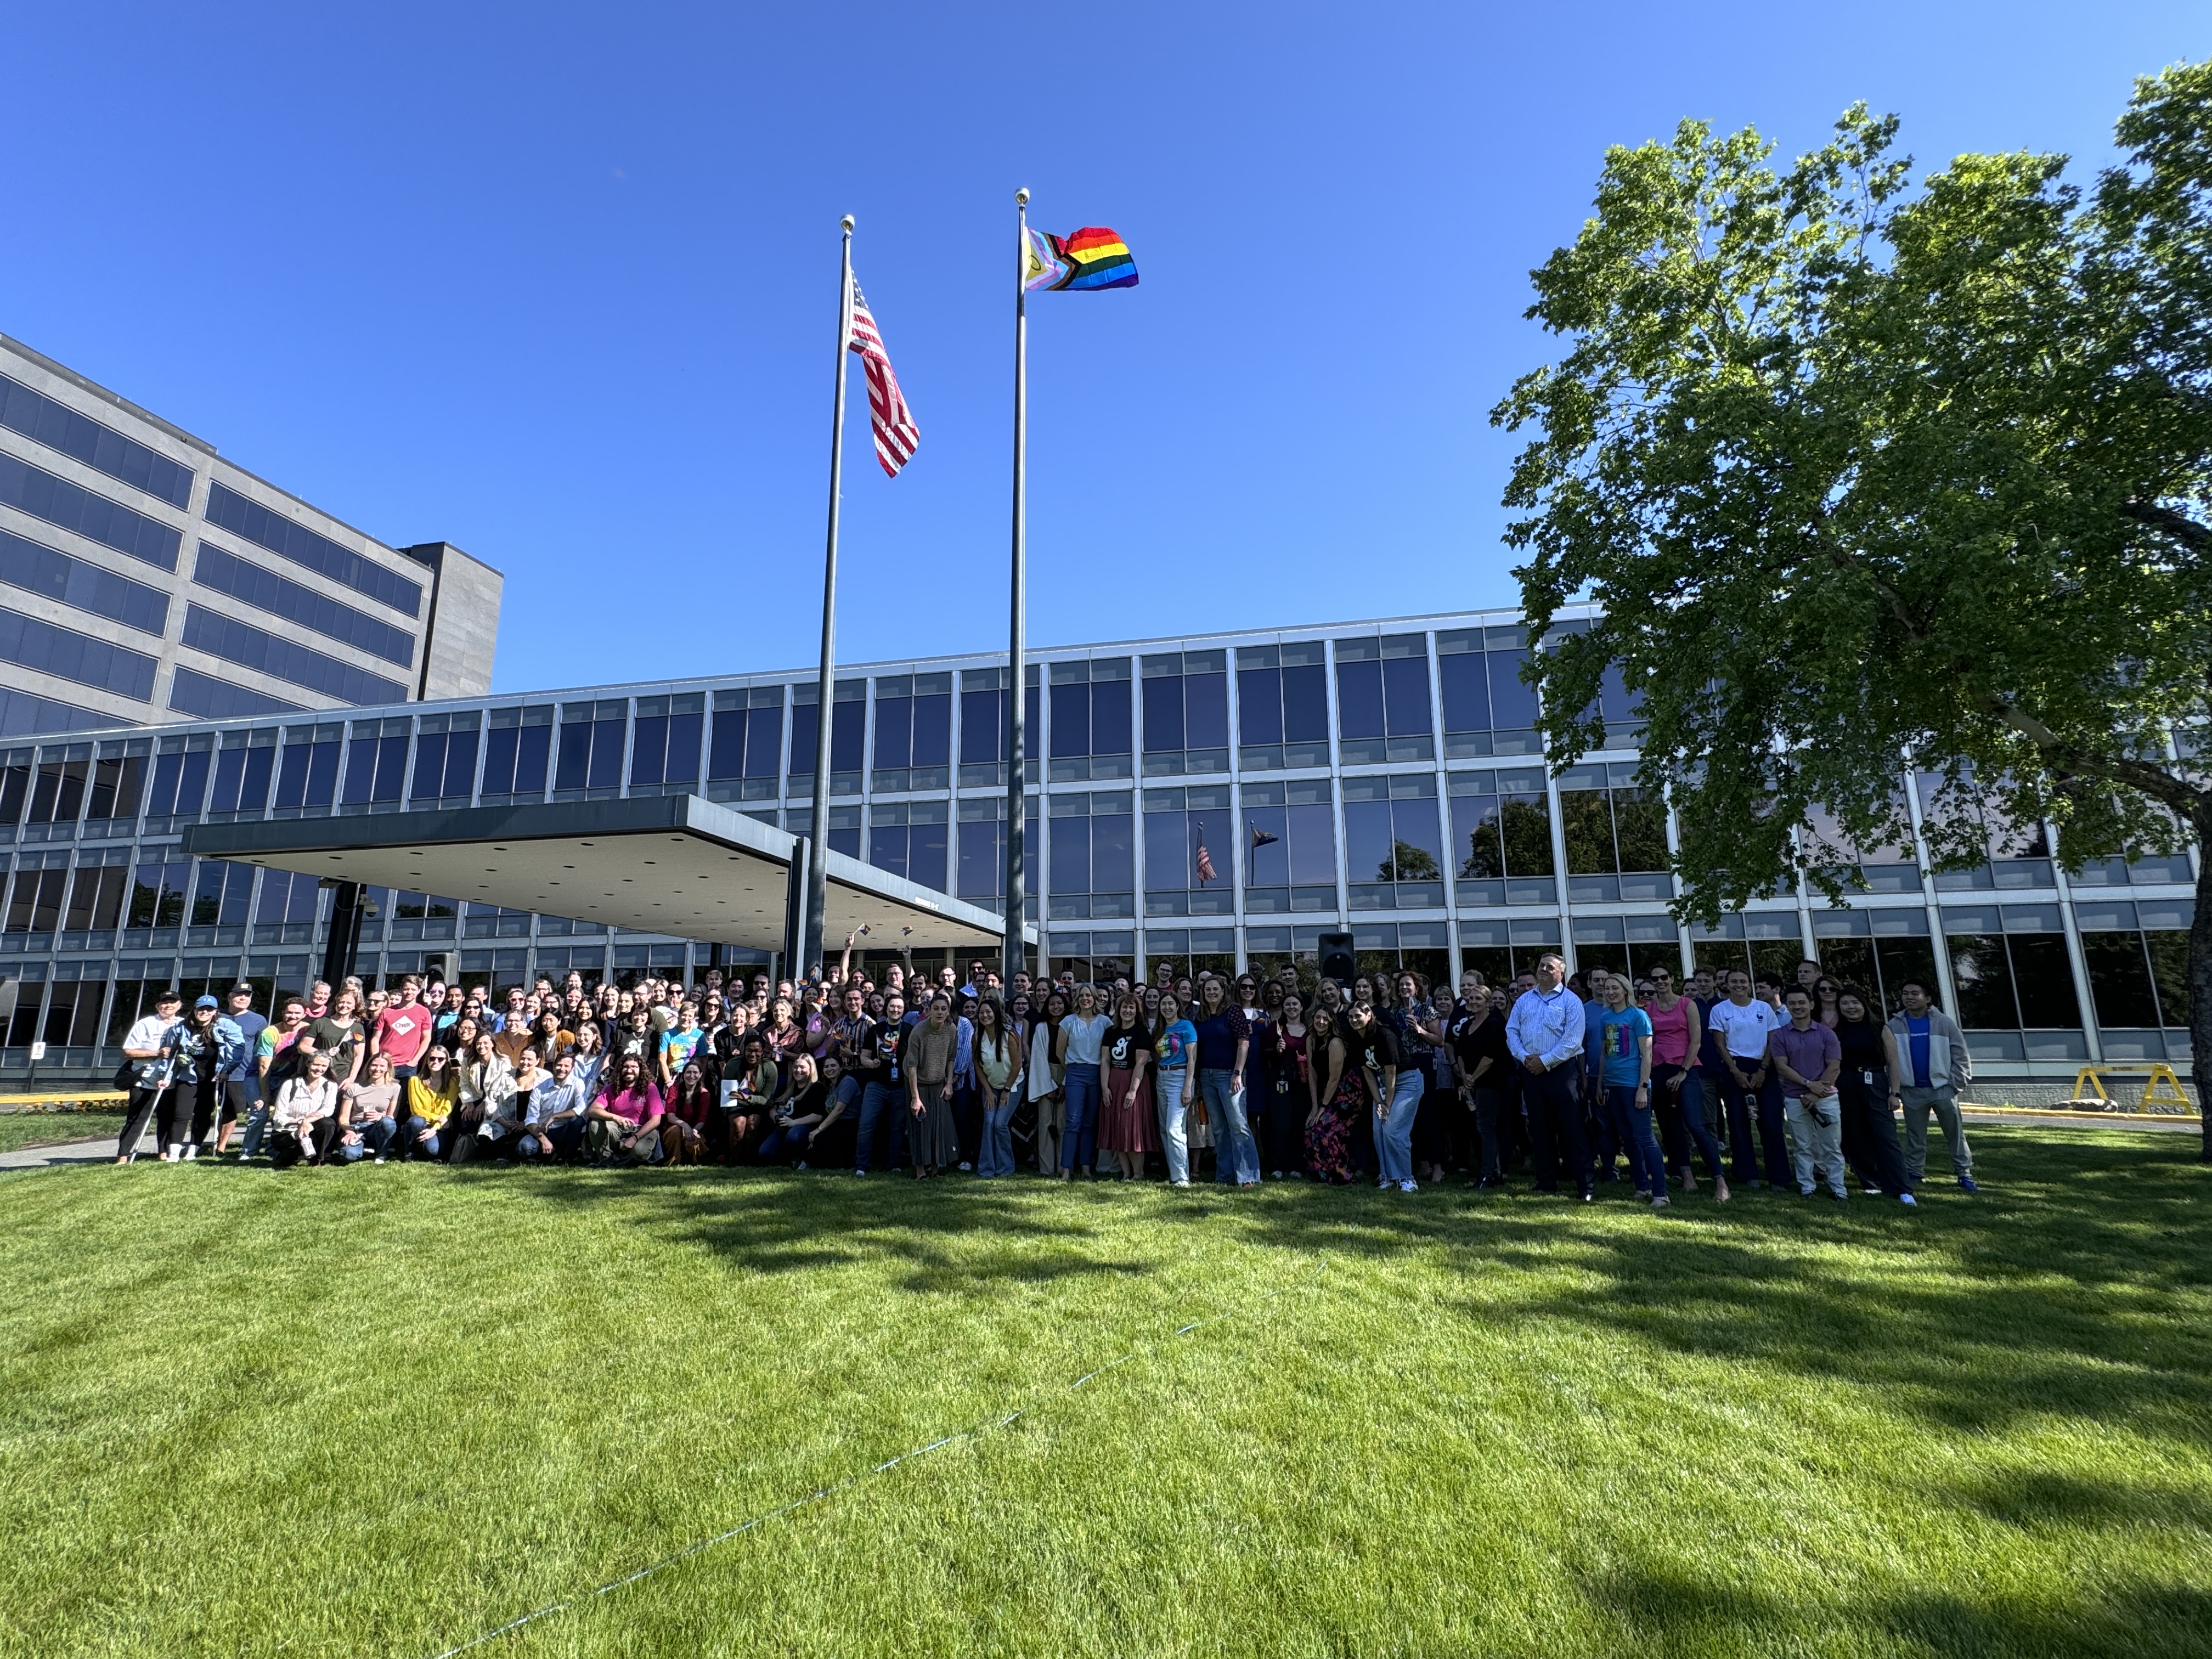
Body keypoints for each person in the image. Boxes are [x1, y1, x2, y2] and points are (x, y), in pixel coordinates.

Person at [1505, 953, 1592, 1201]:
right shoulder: (1524, 1001)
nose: (1543, 969)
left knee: (1572, 1129)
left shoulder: (1571, 1001)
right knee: (1540, 1128)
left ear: (1561, 973)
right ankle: (1546, 1182)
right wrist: (1525, 1058)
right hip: (1531, 1070)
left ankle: (1585, 1185)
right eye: (1541, 966)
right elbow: (1511, 1031)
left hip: (1562, 1072)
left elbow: (1573, 1040)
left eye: (1550, 967)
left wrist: (1545, 1061)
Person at [1644, 964, 1726, 1200]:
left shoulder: (1687, 1005)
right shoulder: (1649, 1009)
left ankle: (1720, 1181)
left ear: (1672, 979)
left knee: (1696, 1124)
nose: (1660, 982)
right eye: (1655, 979)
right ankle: (1687, 1177)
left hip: (1686, 1069)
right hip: (1659, 1070)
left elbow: (1696, 1041)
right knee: (1671, 1128)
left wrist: (1683, 1071)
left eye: (1663, 977)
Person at [1886, 980, 1978, 1193]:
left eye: (1915, 993)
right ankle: (1915, 1172)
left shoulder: (1944, 1023)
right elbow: (1889, 1058)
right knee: (1915, 1136)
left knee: (1955, 1134)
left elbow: (1961, 1055)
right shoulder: (1894, 1025)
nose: (1909, 997)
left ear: (1927, 999)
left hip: (1943, 1089)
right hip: (1911, 1091)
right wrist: (1896, 1089)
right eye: (1905, 993)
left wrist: (1955, 1084)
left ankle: (1964, 1174)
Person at [1709, 969, 1791, 1189]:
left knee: (1772, 1123)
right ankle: (1747, 1174)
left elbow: (1773, 1039)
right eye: (1734, 981)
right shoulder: (1720, 1010)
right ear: (1726, 984)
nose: (1739, 985)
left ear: (1749, 984)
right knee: (1738, 1122)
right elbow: (1719, 1043)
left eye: (1743, 981)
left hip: (1764, 1066)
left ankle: (1779, 1177)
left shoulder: (1763, 1009)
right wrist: (1735, 1071)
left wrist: (1764, 1068)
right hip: (1734, 1067)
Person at [1833, 987, 1915, 1205]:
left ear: (1864, 1004)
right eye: (1845, 1004)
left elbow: (1894, 1062)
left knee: (1886, 1135)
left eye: (1855, 1003)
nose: (1851, 1008)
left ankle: (1901, 1186)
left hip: (1876, 1081)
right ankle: (1870, 1181)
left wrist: (1894, 1092)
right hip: (1847, 1083)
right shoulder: (1836, 1030)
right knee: (1855, 1134)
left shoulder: (1880, 1027)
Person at [1593, 972, 1667, 1208]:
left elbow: (1647, 1054)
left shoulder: (1638, 1016)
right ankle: (1641, 1187)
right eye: (1607, 988)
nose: (1611, 992)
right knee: (1627, 1137)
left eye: (1615, 988)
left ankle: (1660, 1193)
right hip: (1613, 1085)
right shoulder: (1605, 1018)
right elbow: (1605, 1053)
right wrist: (1600, 1084)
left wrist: (1643, 1088)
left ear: (1626, 990)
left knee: (1645, 1137)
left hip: (1633, 1083)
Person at [1770, 988, 1847, 1200]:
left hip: (1826, 1096)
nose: (1797, 1007)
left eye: (1802, 1003)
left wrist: (1816, 1092)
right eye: (1792, 1003)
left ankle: (1839, 1189)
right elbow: (1781, 1066)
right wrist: (1807, 1084)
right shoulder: (1780, 1035)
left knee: (1831, 1146)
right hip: (1795, 1098)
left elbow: (1834, 1066)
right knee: (1803, 1146)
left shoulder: (1826, 1033)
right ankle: (1807, 1188)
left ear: (1811, 1005)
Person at [1190, 977, 1260, 1187]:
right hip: (1206, 1076)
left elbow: (1244, 1043)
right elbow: (1197, 1050)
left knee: (1238, 1125)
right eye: (1207, 990)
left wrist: (1237, 1072)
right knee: (1219, 1128)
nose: (1211, 993)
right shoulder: (1200, 1017)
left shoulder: (1233, 1011)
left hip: (1229, 1075)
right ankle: (1225, 1175)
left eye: (1215, 989)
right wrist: (1198, 1079)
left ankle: (1248, 1175)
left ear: (1223, 992)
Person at [1346, 1000, 1420, 1193]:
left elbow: (1391, 1072)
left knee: (1394, 1130)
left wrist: (1387, 1104)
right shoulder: (1355, 1038)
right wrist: (1378, 1102)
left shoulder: (1384, 1034)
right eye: (1351, 1017)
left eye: (1358, 1016)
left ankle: (1407, 1179)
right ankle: (1386, 1177)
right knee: (1379, 1131)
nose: (1354, 1020)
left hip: (1406, 1082)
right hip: (1382, 1085)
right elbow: (1368, 1072)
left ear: (1369, 1015)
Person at [1447, 972, 1513, 1187]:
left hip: (1491, 1082)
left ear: (1488, 1003)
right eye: (1471, 999)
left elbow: (1490, 1057)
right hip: (1471, 1082)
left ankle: (1488, 1175)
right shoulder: (1467, 1025)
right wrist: (1464, 1076)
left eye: (1478, 999)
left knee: (1487, 1127)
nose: (1473, 1002)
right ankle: (1493, 1172)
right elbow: (1460, 1053)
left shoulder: (1494, 1024)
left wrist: (1472, 1079)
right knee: (1482, 1127)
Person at [115, 988, 185, 1164]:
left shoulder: (183, 1024)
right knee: (137, 1118)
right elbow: (128, 1051)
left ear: (179, 1006)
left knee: (167, 1118)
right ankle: (123, 1155)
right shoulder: (146, 1024)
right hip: (144, 1079)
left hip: (171, 1079)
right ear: (158, 1006)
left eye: (172, 1002)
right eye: (164, 1002)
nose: (168, 1005)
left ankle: (163, 1153)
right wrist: (156, 1053)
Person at [173, 994, 246, 1159]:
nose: (205, 1012)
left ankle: (193, 1148)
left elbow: (238, 1048)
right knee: (181, 1113)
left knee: (203, 1113)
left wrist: (228, 1069)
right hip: (188, 1074)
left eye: (210, 1009)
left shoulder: (225, 1025)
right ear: (195, 1010)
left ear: (215, 1011)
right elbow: (170, 1047)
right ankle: (174, 1151)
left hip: (212, 1077)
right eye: (201, 1009)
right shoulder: (183, 1026)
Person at [1099, 992, 1156, 1182]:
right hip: (1114, 1081)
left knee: (1132, 1128)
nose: (1127, 1010)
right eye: (1124, 1007)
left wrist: (1133, 1091)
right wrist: (1105, 1087)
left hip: (1134, 1082)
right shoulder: (1111, 1032)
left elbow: (1141, 1064)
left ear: (1137, 1011)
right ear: (1118, 1009)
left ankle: (1138, 1174)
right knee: (1117, 1128)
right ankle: (1126, 1174)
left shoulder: (1141, 1032)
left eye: (1132, 1007)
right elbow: (1106, 1060)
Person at [1056, 986, 1110, 1181]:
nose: (1085, 999)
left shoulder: (1105, 1022)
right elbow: (1060, 1052)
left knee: (1090, 1123)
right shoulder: (1068, 1022)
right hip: (1075, 1074)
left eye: (1089, 995)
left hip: (1097, 1074)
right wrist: (1072, 1068)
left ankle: (1086, 1168)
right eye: (1081, 996)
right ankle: (1066, 1170)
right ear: (1076, 999)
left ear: (1095, 998)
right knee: (1073, 1121)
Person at [905, 994, 962, 1178]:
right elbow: (912, 1065)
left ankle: (935, 1169)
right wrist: (915, 1097)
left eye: (944, 1009)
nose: (940, 1012)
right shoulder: (919, 1031)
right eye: (936, 1008)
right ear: (929, 1010)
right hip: (918, 1083)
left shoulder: (952, 1030)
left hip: (939, 1083)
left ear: (948, 1012)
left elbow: (951, 1058)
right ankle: (920, 1170)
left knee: (939, 1127)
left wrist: (949, 1084)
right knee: (919, 1127)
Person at [853, 991, 907, 1177]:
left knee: (897, 1127)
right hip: (876, 1085)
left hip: (900, 1086)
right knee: (866, 1124)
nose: (896, 1009)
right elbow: (864, 1057)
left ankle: (894, 1165)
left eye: (899, 1007)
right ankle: (862, 1165)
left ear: (904, 1010)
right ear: (886, 1008)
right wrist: (871, 1064)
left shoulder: (909, 1031)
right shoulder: (875, 1030)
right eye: (892, 1006)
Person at [1305, 1005, 1360, 1184]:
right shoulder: (1311, 1040)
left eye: (1326, 1019)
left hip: (1347, 1092)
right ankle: (1321, 1174)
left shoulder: (1335, 1042)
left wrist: (1322, 1108)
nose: (1321, 1022)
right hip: (1327, 1091)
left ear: (1331, 1022)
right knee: (1311, 1127)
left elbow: (1335, 1078)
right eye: (1318, 1018)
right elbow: (1312, 1074)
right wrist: (1314, 1106)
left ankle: (1341, 1175)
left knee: (1325, 1129)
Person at [212, 984, 268, 1158]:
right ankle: (220, 1147)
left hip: (245, 1073)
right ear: (230, 997)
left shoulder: (259, 1020)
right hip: (217, 1073)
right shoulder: (216, 1016)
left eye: (247, 995)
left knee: (238, 1110)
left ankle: (248, 1148)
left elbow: (262, 1047)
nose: (243, 998)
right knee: (223, 1110)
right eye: (239, 995)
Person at [1260, 992, 1310, 1179]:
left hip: (1304, 1081)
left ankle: (1296, 1165)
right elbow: (1263, 1053)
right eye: (1287, 1004)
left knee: (1299, 1123)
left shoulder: (1310, 1029)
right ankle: (1277, 1166)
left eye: (1295, 1004)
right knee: (1280, 1125)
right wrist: (1276, 1050)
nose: (1291, 1008)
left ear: (1302, 1007)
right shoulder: (1276, 1028)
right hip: (1280, 1080)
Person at [972, 997, 1023, 1179]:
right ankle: (986, 1169)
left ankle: (1005, 1168)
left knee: (1000, 1124)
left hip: (1013, 1085)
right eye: (982, 1013)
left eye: (988, 1012)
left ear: (996, 1013)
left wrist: (1006, 1091)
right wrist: (988, 1091)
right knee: (989, 1123)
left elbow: (1017, 1065)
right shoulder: (977, 1036)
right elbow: (977, 1064)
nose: (985, 1015)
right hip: (991, 1087)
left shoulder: (1009, 1034)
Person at [1152, 991, 1198, 1187]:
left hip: (1180, 1078)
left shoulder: (1186, 1026)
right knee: (1165, 1130)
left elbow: (1192, 1059)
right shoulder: (1160, 1028)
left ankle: (1182, 1178)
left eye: (1171, 1004)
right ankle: (1175, 1174)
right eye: (1164, 1004)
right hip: (1162, 1077)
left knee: (1174, 1129)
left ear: (1178, 1006)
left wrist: (1188, 1087)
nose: (1167, 1007)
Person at [269, 1049, 341, 1168]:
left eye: (324, 1066)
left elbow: (328, 1110)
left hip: (312, 1128)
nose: (319, 1069)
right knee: (293, 1150)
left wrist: (307, 1121)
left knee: (328, 1124)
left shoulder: (331, 1086)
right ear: (308, 1064)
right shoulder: (290, 1085)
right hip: (287, 1131)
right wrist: (300, 1122)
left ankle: (317, 1159)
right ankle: (286, 1157)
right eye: (316, 1064)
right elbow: (278, 1117)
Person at [757, 1054, 833, 1166]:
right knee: (765, 1153)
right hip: (782, 1129)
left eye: (803, 1067)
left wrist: (793, 1123)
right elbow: (773, 1107)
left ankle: (803, 1158)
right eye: (796, 1067)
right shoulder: (788, 1086)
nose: (798, 1070)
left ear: (811, 1069)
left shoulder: (817, 1088)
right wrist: (776, 1118)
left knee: (793, 1137)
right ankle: (789, 1159)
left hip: (803, 1128)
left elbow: (818, 1116)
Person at [589, 1052, 665, 1163]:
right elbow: (593, 1110)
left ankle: (629, 1158)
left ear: (641, 1070)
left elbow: (656, 1120)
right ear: (620, 1069)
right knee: (595, 1125)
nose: (629, 1070)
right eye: (626, 1067)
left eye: (634, 1067)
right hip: (618, 1128)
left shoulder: (650, 1088)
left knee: (639, 1153)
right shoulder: (611, 1088)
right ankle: (606, 1159)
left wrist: (634, 1138)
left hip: (642, 1130)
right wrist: (616, 1118)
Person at [521, 1052, 591, 1161]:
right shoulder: (540, 1089)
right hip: (543, 1132)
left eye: (566, 1066)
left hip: (565, 1131)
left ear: (572, 1069)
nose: (562, 1069)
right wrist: (544, 1140)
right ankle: (553, 1153)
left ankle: (567, 1157)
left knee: (578, 1121)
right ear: (554, 1066)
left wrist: (554, 1116)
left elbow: (581, 1109)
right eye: (559, 1065)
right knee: (525, 1147)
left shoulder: (578, 1084)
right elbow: (530, 1120)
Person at [1028, 990, 1069, 1175]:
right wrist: (1048, 1087)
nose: (1056, 1007)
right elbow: (1037, 1058)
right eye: (1052, 1004)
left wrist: (1064, 1085)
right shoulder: (1041, 1027)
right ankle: (1047, 1168)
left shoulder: (1069, 1025)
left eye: (1059, 1003)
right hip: (1045, 1074)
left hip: (1067, 1074)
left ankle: (1062, 1166)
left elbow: (1073, 1056)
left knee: (1063, 1123)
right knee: (1046, 1123)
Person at [336, 1051, 403, 1163]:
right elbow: (343, 1118)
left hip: (377, 1128)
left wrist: (379, 1117)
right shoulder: (354, 1087)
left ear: (388, 1069)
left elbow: (391, 1116)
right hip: (357, 1128)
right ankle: (362, 1148)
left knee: (388, 1123)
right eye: (374, 1065)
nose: (378, 1069)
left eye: (382, 1066)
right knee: (349, 1156)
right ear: (368, 1067)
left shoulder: (395, 1087)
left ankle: (381, 1153)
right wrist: (349, 1131)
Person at [400, 1045, 461, 1159]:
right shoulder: (415, 1081)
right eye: (432, 1058)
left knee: (433, 1151)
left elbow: (447, 1110)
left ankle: (425, 1144)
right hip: (422, 1121)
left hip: (440, 1126)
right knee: (416, 1121)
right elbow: (416, 1109)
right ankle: (409, 1152)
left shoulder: (453, 1082)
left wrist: (434, 1128)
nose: (435, 1062)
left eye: (441, 1059)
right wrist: (436, 1118)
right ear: (427, 1060)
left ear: (446, 1062)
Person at [371, 979, 435, 1080]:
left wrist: (415, 1061)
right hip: (385, 1063)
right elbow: (376, 1038)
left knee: (404, 1095)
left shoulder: (424, 1012)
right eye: (406, 989)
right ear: (401, 989)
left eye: (413, 989)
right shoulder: (387, 1012)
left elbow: (426, 1039)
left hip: (408, 1066)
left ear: (419, 991)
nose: (410, 992)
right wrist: (376, 1059)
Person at [659, 1058, 714, 1165]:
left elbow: (702, 1119)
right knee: (676, 1131)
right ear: (683, 1074)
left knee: (695, 1138)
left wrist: (693, 1131)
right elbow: (670, 1115)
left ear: (700, 1075)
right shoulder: (674, 1089)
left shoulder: (704, 1094)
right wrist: (685, 1126)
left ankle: (694, 1161)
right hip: (674, 1128)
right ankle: (673, 1161)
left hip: (695, 1129)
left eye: (695, 1073)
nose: (691, 1076)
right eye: (688, 1072)